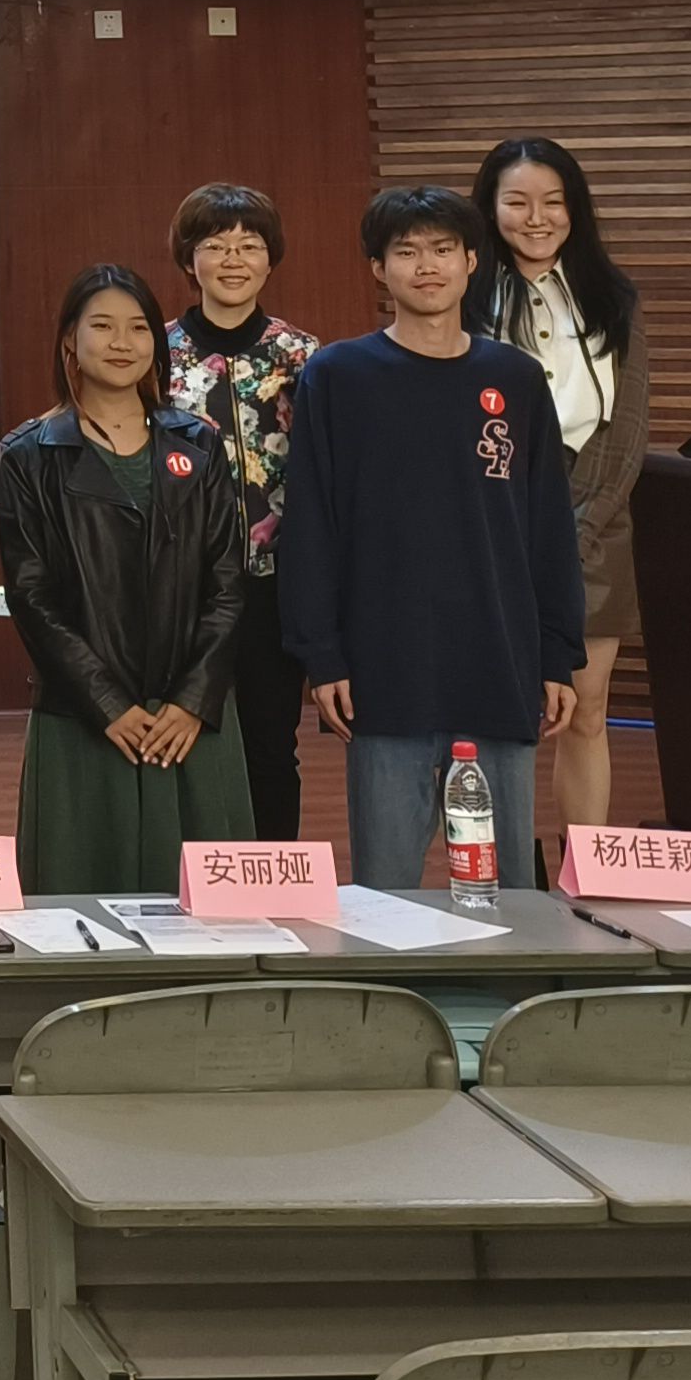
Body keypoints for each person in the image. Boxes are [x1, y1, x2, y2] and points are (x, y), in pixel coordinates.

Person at [282, 188, 583, 892]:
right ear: (377, 269)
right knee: (386, 890)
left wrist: (557, 654)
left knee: (507, 891)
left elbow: (547, 525)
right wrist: (322, 654)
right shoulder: (337, 376)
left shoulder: (514, 378)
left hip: (498, 659)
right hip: (384, 665)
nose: (427, 266)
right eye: (407, 252)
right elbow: (311, 526)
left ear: (472, 261)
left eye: (443, 250)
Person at [0, 265, 252, 895]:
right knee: (80, 910)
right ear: (70, 340)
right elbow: (32, 596)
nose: (122, 342)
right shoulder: (28, 454)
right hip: (84, 719)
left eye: (138, 328)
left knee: (204, 915)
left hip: (189, 722)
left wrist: (192, 702)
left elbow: (227, 583)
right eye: (103, 326)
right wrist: (107, 704)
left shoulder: (199, 444)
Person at [471, 135, 648, 868]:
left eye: (553, 202)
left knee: (587, 708)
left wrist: (580, 525)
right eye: (517, 202)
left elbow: (629, 427)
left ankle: (588, 866)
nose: (536, 218)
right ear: (490, 209)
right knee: (492, 712)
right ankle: (498, 869)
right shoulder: (466, 299)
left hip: (596, 520)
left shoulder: (614, 298)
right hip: (491, 517)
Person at [160, 184, 320, 842]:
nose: (233, 259)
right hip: (178, 585)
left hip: (272, 585)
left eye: (249, 245)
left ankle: (272, 880)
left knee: (270, 747)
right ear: (188, 258)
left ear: (270, 258)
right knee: (182, 742)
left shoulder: (305, 357)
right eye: (215, 245)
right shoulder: (156, 353)